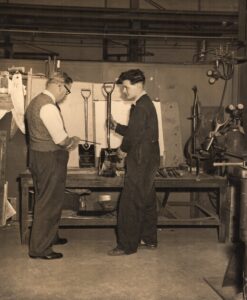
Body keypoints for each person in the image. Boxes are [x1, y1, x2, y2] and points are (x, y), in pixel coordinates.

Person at [25, 71, 80, 260]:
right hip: (50, 159)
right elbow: (61, 139)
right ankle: (40, 249)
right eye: (67, 91)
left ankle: (51, 237)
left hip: (39, 157)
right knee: (48, 203)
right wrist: (73, 140)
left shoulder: (35, 101)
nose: (65, 95)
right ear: (59, 85)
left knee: (48, 199)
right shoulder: (48, 107)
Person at [108, 69, 160, 256]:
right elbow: (138, 131)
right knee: (146, 200)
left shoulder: (141, 107)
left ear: (138, 86)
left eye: (126, 87)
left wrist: (122, 151)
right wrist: (117, 126)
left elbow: (133, 136)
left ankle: (126, 246)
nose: (124, 91)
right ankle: (149, 238)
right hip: (148, 160)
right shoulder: (145, 104)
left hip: (140, 160)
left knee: (129, 203)